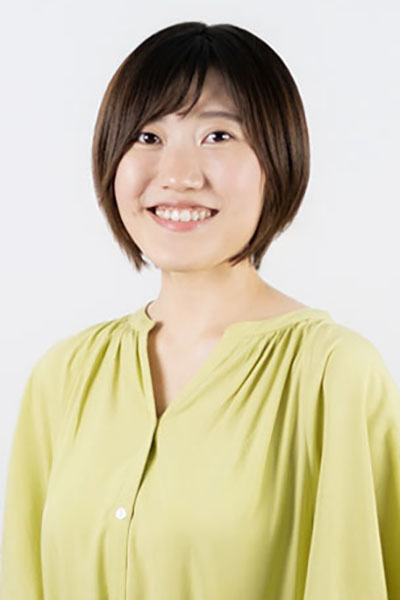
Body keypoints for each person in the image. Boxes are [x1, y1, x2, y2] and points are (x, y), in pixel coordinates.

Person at [1, 21, 399, 600]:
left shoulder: (332, 375)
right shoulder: (63, 376)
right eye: (147, 136)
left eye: (218, 136)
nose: (178, 175)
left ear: (278, 158)